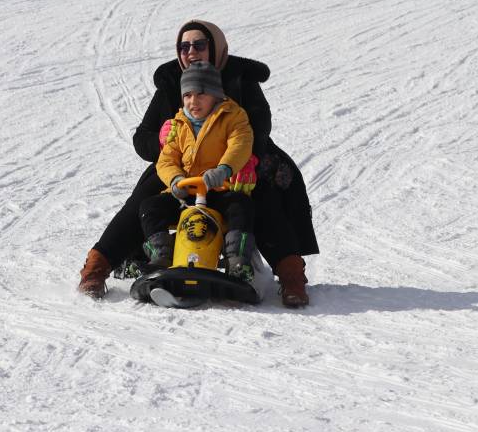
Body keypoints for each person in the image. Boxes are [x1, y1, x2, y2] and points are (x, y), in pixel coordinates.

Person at [77, 19, 318, 307]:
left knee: (260, 199)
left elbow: (257, 127)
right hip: (185, 164)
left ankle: (291, 276)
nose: (191, 51)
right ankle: (98, 267)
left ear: (214, 47)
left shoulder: (240, 78)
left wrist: (242, 161)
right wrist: (160, 140)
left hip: (239, 160)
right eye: (184, 46)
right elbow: (143, 138)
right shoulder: (172, 80)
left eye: (199, 44)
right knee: (143, 200)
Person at [138, 61, 257, 280]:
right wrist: (175, 179)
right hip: (187, 192)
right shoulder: (179, 124)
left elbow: (241, 144)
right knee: (150, 207)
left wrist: (223, 169)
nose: (193, 102)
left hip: (220, 189)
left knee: (241, 206)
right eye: (187, 95)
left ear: (215, 94)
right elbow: (166, 160)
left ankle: (237, 261)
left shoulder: (232, 117)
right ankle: (162, 257)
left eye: (200, 94)